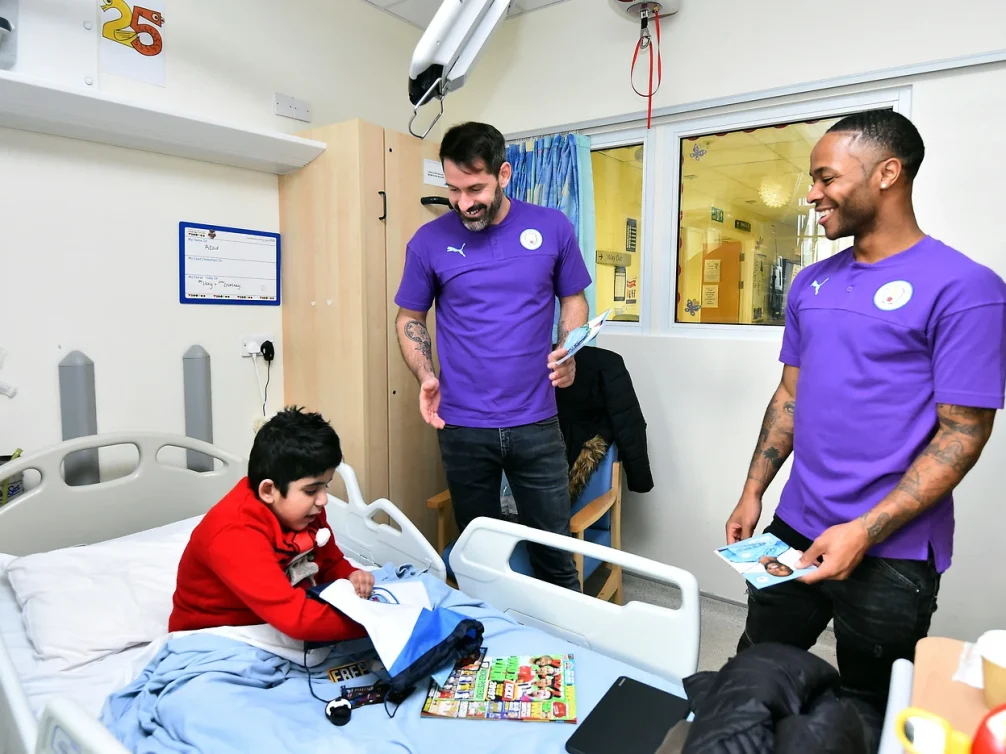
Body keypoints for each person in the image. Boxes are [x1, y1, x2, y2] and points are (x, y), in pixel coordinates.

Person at [725, 109, 1006, 722]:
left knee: (868, 705)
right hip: (794, 526)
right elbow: (789, 397)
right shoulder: (811, 283)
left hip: (893, 549)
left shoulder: (966, 288)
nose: (813, 193)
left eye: (826, 178)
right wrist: (753, 492)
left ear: (887, 173)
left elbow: (964, 432)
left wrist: (867, 529)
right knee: (754, 668)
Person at [393, 121, 592, 592]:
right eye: (454, 189)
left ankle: (569, 656)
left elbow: (574, 300)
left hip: (537, 423)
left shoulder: (552, 227)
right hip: (461, 427)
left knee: (554, 556)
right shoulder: (428, 241)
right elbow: (409, 319)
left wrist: (570, 349)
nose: (464, 202)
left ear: (504, 174)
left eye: (476, 187)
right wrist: (425, 373)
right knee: (478, 558)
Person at [169, 406, 376, 642]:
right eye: (311, 490)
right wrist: (374, 623)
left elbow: (329, 561)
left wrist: (351, 575)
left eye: (325, 486)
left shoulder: (306, 512)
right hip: (217, 633)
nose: (323, 500)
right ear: (269, 490)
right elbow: (298, 620)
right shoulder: (235, 534)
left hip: (275, 619)